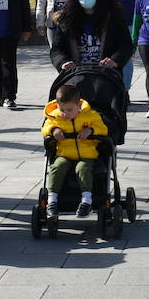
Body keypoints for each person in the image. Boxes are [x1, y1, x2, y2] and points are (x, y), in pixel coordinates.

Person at [41, 83, 108, 219]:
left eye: (69, 110)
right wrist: (53, 130)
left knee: (82, 168)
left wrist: (90, 130)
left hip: (86, 155)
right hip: (64, 154)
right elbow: (45, 128)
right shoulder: (55, 117)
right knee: (56, 166)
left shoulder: (90, 116)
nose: (65, 114)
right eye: (62, 109)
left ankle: (87, 200)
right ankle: (52, 199)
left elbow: (103, 129)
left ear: (78, 106)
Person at [50, 0, 135, 73]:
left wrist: (114, 60)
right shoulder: (66, 19)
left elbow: (126, 45)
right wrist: (63, 62)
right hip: (75, 75)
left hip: (106, 76)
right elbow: (56, 49)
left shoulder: (113, 17)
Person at [101, 0, 141, 88]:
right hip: (109, 23)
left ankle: (125, 89)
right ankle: (113, 88)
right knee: (109, 57)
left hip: (129, 21)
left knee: (127, 57)